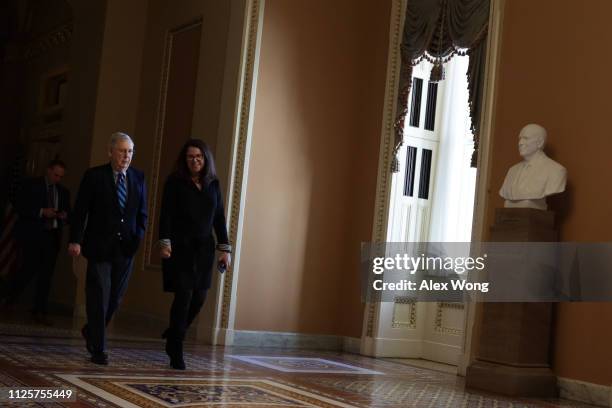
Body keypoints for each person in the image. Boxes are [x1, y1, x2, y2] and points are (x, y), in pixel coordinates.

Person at [68, 132, 147, 365]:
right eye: (122, 151)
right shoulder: (94, 176)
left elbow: (142, 213)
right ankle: (99, 349)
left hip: (126, 248)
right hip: (99, 247)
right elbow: (80, 211)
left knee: (115, 299)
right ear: (110, 151)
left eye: (130, 151)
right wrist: (75, 240)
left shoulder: (138, 177)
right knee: (99, 296)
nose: (126, 156)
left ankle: (91, 330)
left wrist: (139, 237)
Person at [158, 139, 231, 370]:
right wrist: (165, 242)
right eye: (190, 157)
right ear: (184, 159)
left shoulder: (213, 184)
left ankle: (174, 332)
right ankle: (176, 349)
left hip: (204, 251)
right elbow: (166, 215)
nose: (195, 160)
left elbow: (219, 218)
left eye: (199, 156)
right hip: (180, 249)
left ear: (205, 158)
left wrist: (225, 249)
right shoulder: (175, 182)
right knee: (183, 298)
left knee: (199, 298)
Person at [0, 159, 70, 325]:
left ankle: (39, 310)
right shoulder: (31, 185)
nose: (57, 179)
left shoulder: (63, 191)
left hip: (52, 237)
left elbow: (70, 212)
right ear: (48, 170)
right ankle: (9, 297)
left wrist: (64, 216)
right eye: (55, 175)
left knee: (47, 275)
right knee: (28, 269)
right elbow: (20, 206)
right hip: (33, 235)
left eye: (61, 176)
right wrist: (41, 212)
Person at [499, 123, 567, 210]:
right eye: (520, 139)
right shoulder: (512, 170)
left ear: (540, 142)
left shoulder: (556, 171)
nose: (520, 143)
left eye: (526, 138)